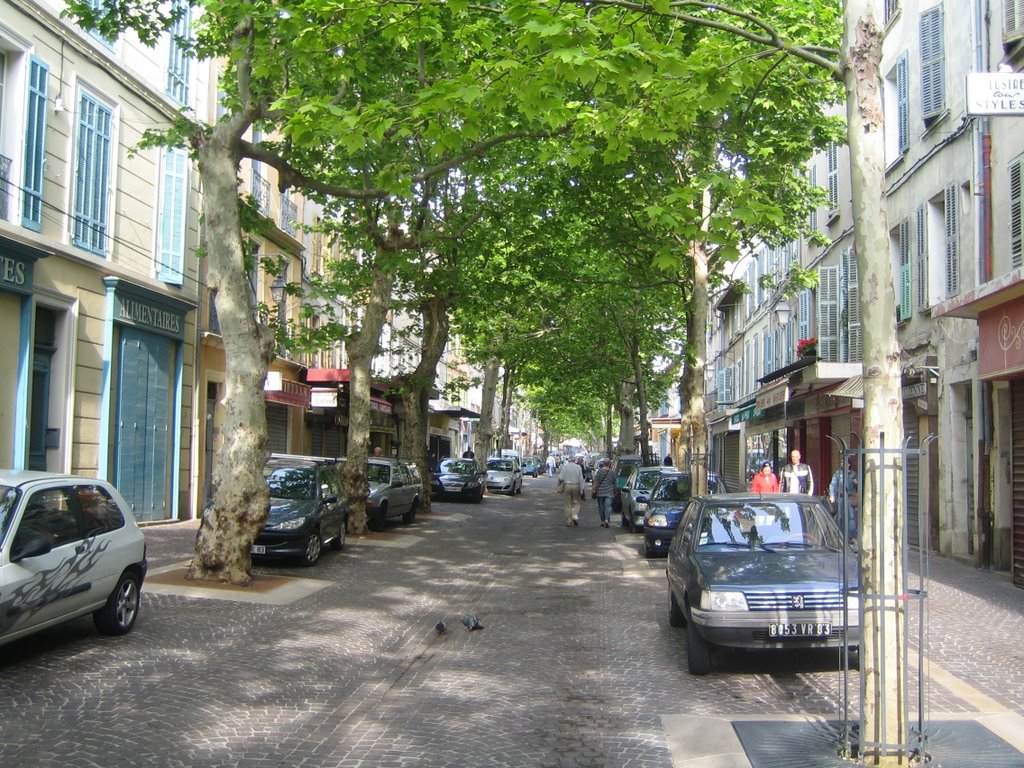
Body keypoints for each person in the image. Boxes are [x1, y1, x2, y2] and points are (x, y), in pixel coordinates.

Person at [829, 457, 859, 540]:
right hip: (841, 497)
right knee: (841, 516)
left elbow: (859, 485)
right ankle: (840, 535)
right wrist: (832, 495)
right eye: (842, 462)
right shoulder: (838, 473)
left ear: (849, 464)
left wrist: (856, 483)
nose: (842, 464)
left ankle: (851, 536)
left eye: (844, 462)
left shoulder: (853, 474)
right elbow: (833, 484)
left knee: (851, 516)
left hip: (850, 497)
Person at [557, 455, 585, 527]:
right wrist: (582, 489)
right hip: (576, 485)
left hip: (567, 485)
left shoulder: (565, 467)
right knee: (576, 502)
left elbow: (560, 478)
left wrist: (558, 485)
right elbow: (581, 479)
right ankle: (574, 515)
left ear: (569, 460)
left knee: (567, 503)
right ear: (574, 460)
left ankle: (568, 519)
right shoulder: (578, 467)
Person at [591, 458, 616, 528]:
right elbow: (614, 482)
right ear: (609, 464)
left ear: (603, 464)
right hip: (609, 492)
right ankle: (607, 520)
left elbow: (596, 482)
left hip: (600, 492)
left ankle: (602, 521)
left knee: (601, 507)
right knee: (608, 507)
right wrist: (615, 490)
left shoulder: (599, 471)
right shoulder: (612, 472)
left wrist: (593, 490)